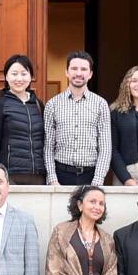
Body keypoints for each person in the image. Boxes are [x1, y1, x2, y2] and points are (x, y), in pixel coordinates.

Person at [43, 51, 112, 186]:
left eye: (84, 69)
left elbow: (105, 146)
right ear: (66, 72)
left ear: (90, 74)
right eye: (74, 68)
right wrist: (52, 178)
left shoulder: (100, 104)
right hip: (61, 175)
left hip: (91, 175)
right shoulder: (52, 104)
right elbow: (48, 146)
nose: (78, 73)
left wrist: (98, 179)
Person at [0, 54, 47, 185]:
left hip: (38, 175)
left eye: (24, 74)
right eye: (14, 74)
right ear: (6, 77)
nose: (19, 78)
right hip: (9, 176)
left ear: (30, 77)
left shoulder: (38, 105)